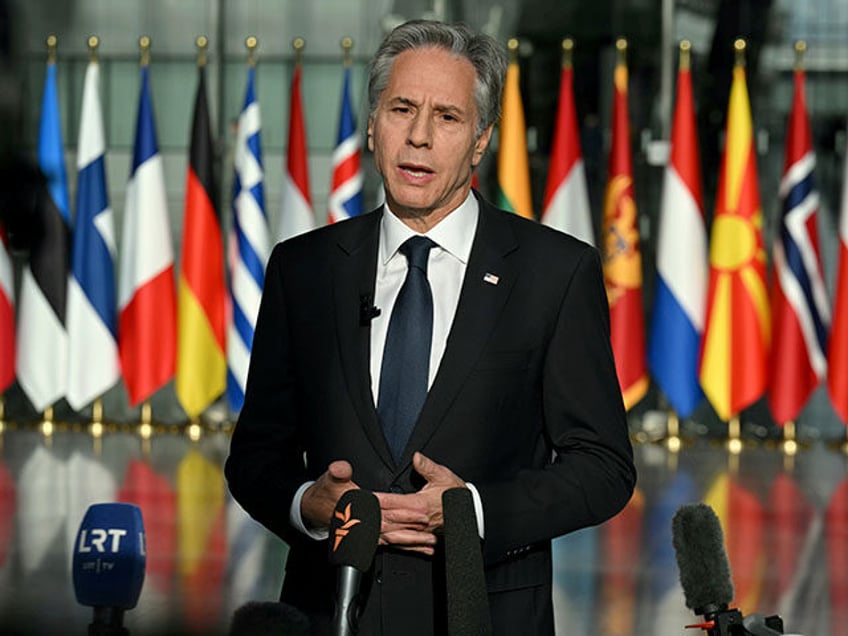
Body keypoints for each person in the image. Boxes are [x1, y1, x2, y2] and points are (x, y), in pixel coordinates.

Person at [225, 19, 636, 636]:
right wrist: (306, 502)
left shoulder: (555, 272)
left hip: (486, 616)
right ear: (371, 125)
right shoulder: (303, 268)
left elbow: (604, 467)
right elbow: (256, 456)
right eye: (402, 108)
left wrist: (472, 511)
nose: (418, 137)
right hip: (330, 612)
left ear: (480, 140)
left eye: (447, 117)